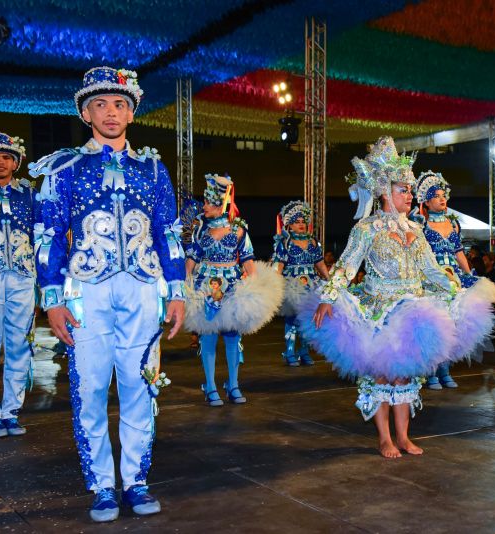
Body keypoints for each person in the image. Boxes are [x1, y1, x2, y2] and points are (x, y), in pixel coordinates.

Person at [30, 67, 185, 522]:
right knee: (91, 388)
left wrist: (175, 292)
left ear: (132, 112)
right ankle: (101, 485)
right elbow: (49, 235)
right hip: (88, 294)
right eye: (100, 104)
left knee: (140, 387)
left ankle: (135, 479)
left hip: (142, 289)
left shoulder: (153, 168)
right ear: (85, 112)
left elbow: (169, 233)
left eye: (119, 104)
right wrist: (53, 299)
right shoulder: (65, 168)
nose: (110, 112)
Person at [300, 137, 495, 458]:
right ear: (384, 193)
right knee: (382, 374)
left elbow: (432, 271)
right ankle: (384, 439)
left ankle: (403, 437)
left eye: (409, 189)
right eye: (403, 189)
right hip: (379, 311)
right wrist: (329, 296)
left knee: (406, 374)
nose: (409, 194)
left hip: (414, 309)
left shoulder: (416, 230)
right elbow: (347, 266)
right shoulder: (367, 228)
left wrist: (457, 293)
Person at [184, 174, 283, 404]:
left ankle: (233, 385)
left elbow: (248, 262)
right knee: (207, 337)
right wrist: (182, 283)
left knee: (232, 338)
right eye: (205, 202)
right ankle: (210, 387)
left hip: (232, 288)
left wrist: (257, 289)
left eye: (209, 203)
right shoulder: (200, 230)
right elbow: (191, 259)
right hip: (206, 288)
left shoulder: (238, 231)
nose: (204, 206)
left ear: (221, 205)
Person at [411, 170, 495, 390]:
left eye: (444, 195)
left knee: (453, 325)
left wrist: (468, 275)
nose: (442, 199)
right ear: (426, 201)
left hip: (453, 281)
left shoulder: (453, 224)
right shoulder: (419, 223)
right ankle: (430, 373)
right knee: (434, 327)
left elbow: (459, 253)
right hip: (430, 280)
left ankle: (445, 370)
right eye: (437, 196)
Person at [0, 133, 35, 439]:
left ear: (16, 162)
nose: (0, 162)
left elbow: (42, 236)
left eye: (6, 157)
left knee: (19, 343)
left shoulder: (29, 195)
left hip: (22, 278)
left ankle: (11, 409)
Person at [272, 200, 328, 366]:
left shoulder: (313, 242)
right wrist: (273, 284)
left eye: (303, 221)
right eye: (297, 222)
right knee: (291, 319)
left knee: (307, 319)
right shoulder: (285, 243)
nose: (301, 224)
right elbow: (279, 266)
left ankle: (304, 351)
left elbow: (320, 264)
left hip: (311, 284)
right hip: (292, 285)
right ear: (289, 225)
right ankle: (289, 352)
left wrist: (331, 282)